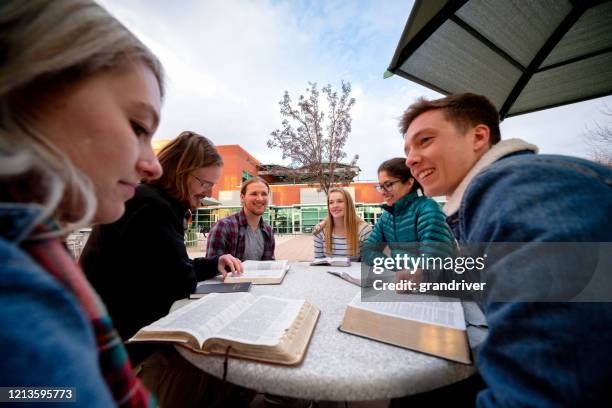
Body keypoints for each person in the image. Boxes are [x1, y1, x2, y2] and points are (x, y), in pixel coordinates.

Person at [400, 93, 612, 407]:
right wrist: (425, 275)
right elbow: (489, 270)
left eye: (425, 140)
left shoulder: (516, 189)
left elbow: (545, 387)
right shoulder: (498, 192)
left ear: (479, 136)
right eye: (407, 151)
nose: (410, 160)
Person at [0, 0, 164, 405]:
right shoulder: (19, 289)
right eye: (138, 126)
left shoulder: (35, 252)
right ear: (30, 90)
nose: (153, 166)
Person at [80, 132, 252, 407]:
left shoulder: (151, 201)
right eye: (205, 183)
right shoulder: (151, 207)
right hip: (122, 357)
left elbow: (166, 269)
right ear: (180, 173)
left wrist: (213, 262)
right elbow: (179, 281)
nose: (209, 192)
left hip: (116, 340)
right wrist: (202, 268)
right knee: (229, 370)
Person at [361, 158, 456, 267]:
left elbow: (434, 262)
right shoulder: (386, 217)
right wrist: (393, 264)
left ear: (409, 182)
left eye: (388, 185)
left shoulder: (428, 209)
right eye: (380, 186)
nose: (383, 192)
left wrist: (398, 256)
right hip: (406, 281)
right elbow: (367, 252)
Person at [207, 177, 275, 261]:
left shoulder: (268, 230)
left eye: (264, 194)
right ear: (242, 197)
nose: (260, 199)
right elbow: (212, 268)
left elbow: (269, 265)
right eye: (254, 194)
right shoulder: (223, 227)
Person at [313, 187, 372, 261]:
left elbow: (366, 265)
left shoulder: (364, 230)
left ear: (348, 204)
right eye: (331, 202)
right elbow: (318, 263)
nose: (335, 206)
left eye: (340, 201)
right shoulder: (320, 230)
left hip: (355, 272)